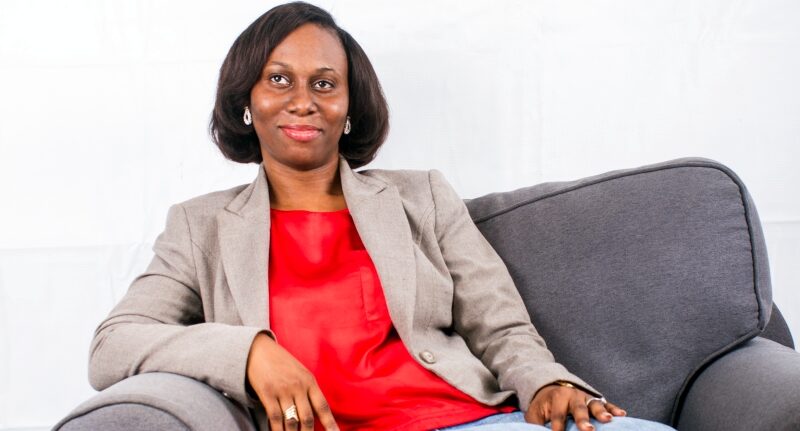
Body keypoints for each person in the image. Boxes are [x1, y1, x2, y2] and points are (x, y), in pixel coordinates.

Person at [88, 3, 676, 431]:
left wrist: (546, 380)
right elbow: (112, 345)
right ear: (247, 101)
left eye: (325, 83)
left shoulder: (423, 196)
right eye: (279, 79)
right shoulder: (202, 227)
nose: (303, 100)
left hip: (464, 420)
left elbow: (501, 328)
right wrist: (248, 352)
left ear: (348, 108)